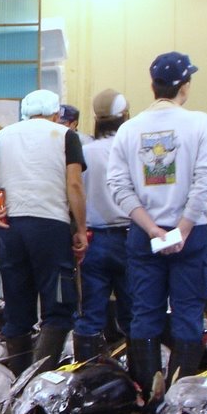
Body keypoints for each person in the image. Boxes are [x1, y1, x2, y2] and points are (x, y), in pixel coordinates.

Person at [108, 52, 207, 390]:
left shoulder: (129, 128)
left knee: (144, 313)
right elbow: (205, 180)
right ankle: (180, 398)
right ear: (184, 86)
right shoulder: (199, 122)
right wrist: (182, 228)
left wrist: (152, 228)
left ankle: (149, 397)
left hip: (143, 234)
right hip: (191, 233)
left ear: (153, 86)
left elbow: (118, 187)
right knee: (187, 314)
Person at [0, 89, 88, 374]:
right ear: (56, 114)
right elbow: (74, 186)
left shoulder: (5, 135)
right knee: (57, 305)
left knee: (17, 305)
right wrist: (80, 228)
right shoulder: (65, 135)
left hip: (12, 227)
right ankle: (39, 380)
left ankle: (18, 379)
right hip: (51, 228)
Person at [72, 89, 134, 362]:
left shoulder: (85, 152)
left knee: (89, 317)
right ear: (125, 117)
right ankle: (141, 382)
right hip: (132, 237)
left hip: (93, 239)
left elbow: (74, 194)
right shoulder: (131, 150)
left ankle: (86, 379)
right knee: (134, 315)